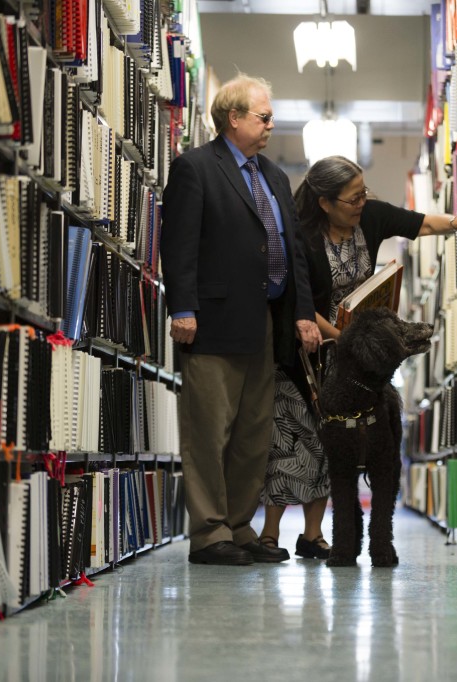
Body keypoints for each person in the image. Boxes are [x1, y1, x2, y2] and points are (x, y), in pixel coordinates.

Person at [258, 155, 457, 559]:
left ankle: (314, 535)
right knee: (293, 439)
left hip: (355, 358)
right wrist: (344, 336)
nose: (362, 202)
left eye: (363, 194)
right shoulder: (300, 235)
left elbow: (420, 223)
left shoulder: (367, 217)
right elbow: (297, 295)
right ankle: (270, 535)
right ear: (325, 203)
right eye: (353, 198)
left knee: (331, 445)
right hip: (307, 346)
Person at [160, 74, 322, 566]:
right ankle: (209, 534)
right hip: (212, 322)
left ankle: (239, 525)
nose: (271, 124)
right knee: (210, 431)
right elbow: (179, 243)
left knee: (254, 433)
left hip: (266, 324)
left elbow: (292, 253)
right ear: (233, 118)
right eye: (264, 116)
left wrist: (301, 314)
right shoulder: (195, 168)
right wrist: (182, 307)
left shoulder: (274, 176)